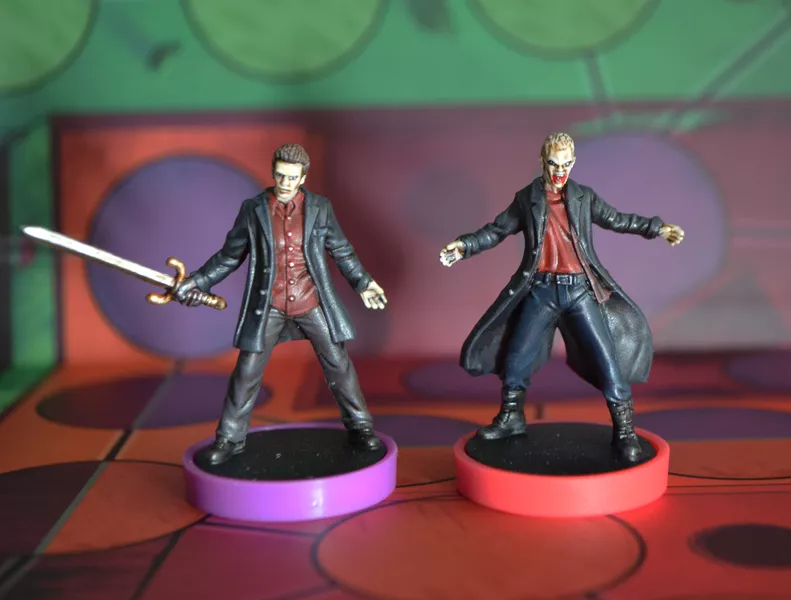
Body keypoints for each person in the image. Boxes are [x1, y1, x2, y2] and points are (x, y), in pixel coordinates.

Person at [439, 132, 684, 462]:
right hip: (541, 290)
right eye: (554, 164)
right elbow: (497, 230)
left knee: (606, 359)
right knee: (517, 355)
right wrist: (465, 245)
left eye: (566, 164)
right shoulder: (528, 199)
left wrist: (658, 228)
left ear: (573, 163)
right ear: (543, 161)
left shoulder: (583, 198)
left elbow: (618, 220)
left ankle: (625, 430)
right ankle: (511, 417)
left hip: (580, 291)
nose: (560, 172)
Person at [175, 143, 387, 465]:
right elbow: (229, 256)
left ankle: (360, 427)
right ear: (273, 172)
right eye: (280, 175)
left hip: (311, 301)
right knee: (246, 372)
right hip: (268, 306)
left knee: (338, 365)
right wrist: (198, 281)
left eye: (292, 177)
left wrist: (363, 282)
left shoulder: (320, 208)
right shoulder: (254, 210)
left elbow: (341, 250)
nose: (285, 183)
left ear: (303, 177)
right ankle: (229, 438)